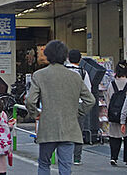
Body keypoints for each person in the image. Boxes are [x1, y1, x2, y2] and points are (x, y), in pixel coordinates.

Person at [25, 40, 95, 175]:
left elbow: (30, 101)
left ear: (48, 55)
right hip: (69, 127)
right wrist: (77, 112)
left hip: (48, 127)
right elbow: (90, 100)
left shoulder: (40, 75)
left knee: (44, 164)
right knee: (65, 166)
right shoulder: (75, 76)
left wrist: (36, 114)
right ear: (65, 56)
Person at [65, 49, 92, 165]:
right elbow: (88, 91)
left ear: (67, 58)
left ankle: (64, 156)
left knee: (64, 131)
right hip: (79, 105)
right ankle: (77, 158)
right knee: (78, 132)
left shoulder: (62, 71)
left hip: (64, 105)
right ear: (80, 60)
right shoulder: (83, 72)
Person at [106, 60, 127, 166]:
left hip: (114, 115)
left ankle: (114, 157)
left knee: (114, 136)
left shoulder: (111, 85)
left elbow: (108, 99)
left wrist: (112, 112)